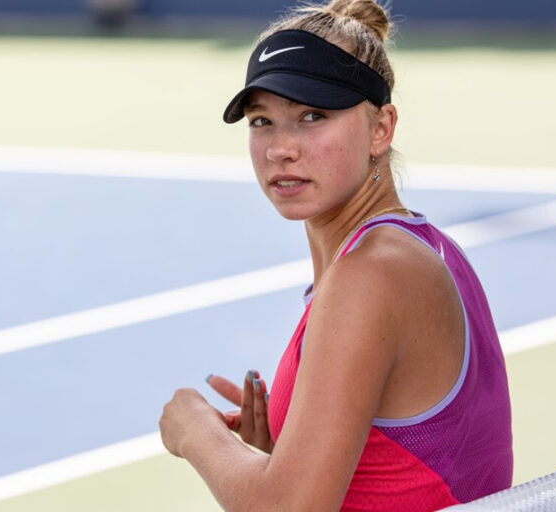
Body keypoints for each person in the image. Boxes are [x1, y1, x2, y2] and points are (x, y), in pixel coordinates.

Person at [158, 0, 513, 510]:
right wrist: (283, 451)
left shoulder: (374, 273)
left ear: (381, 129)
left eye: (312, 116)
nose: (281, 148)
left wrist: (194, 431)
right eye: (262, 121)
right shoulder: (418, 246)